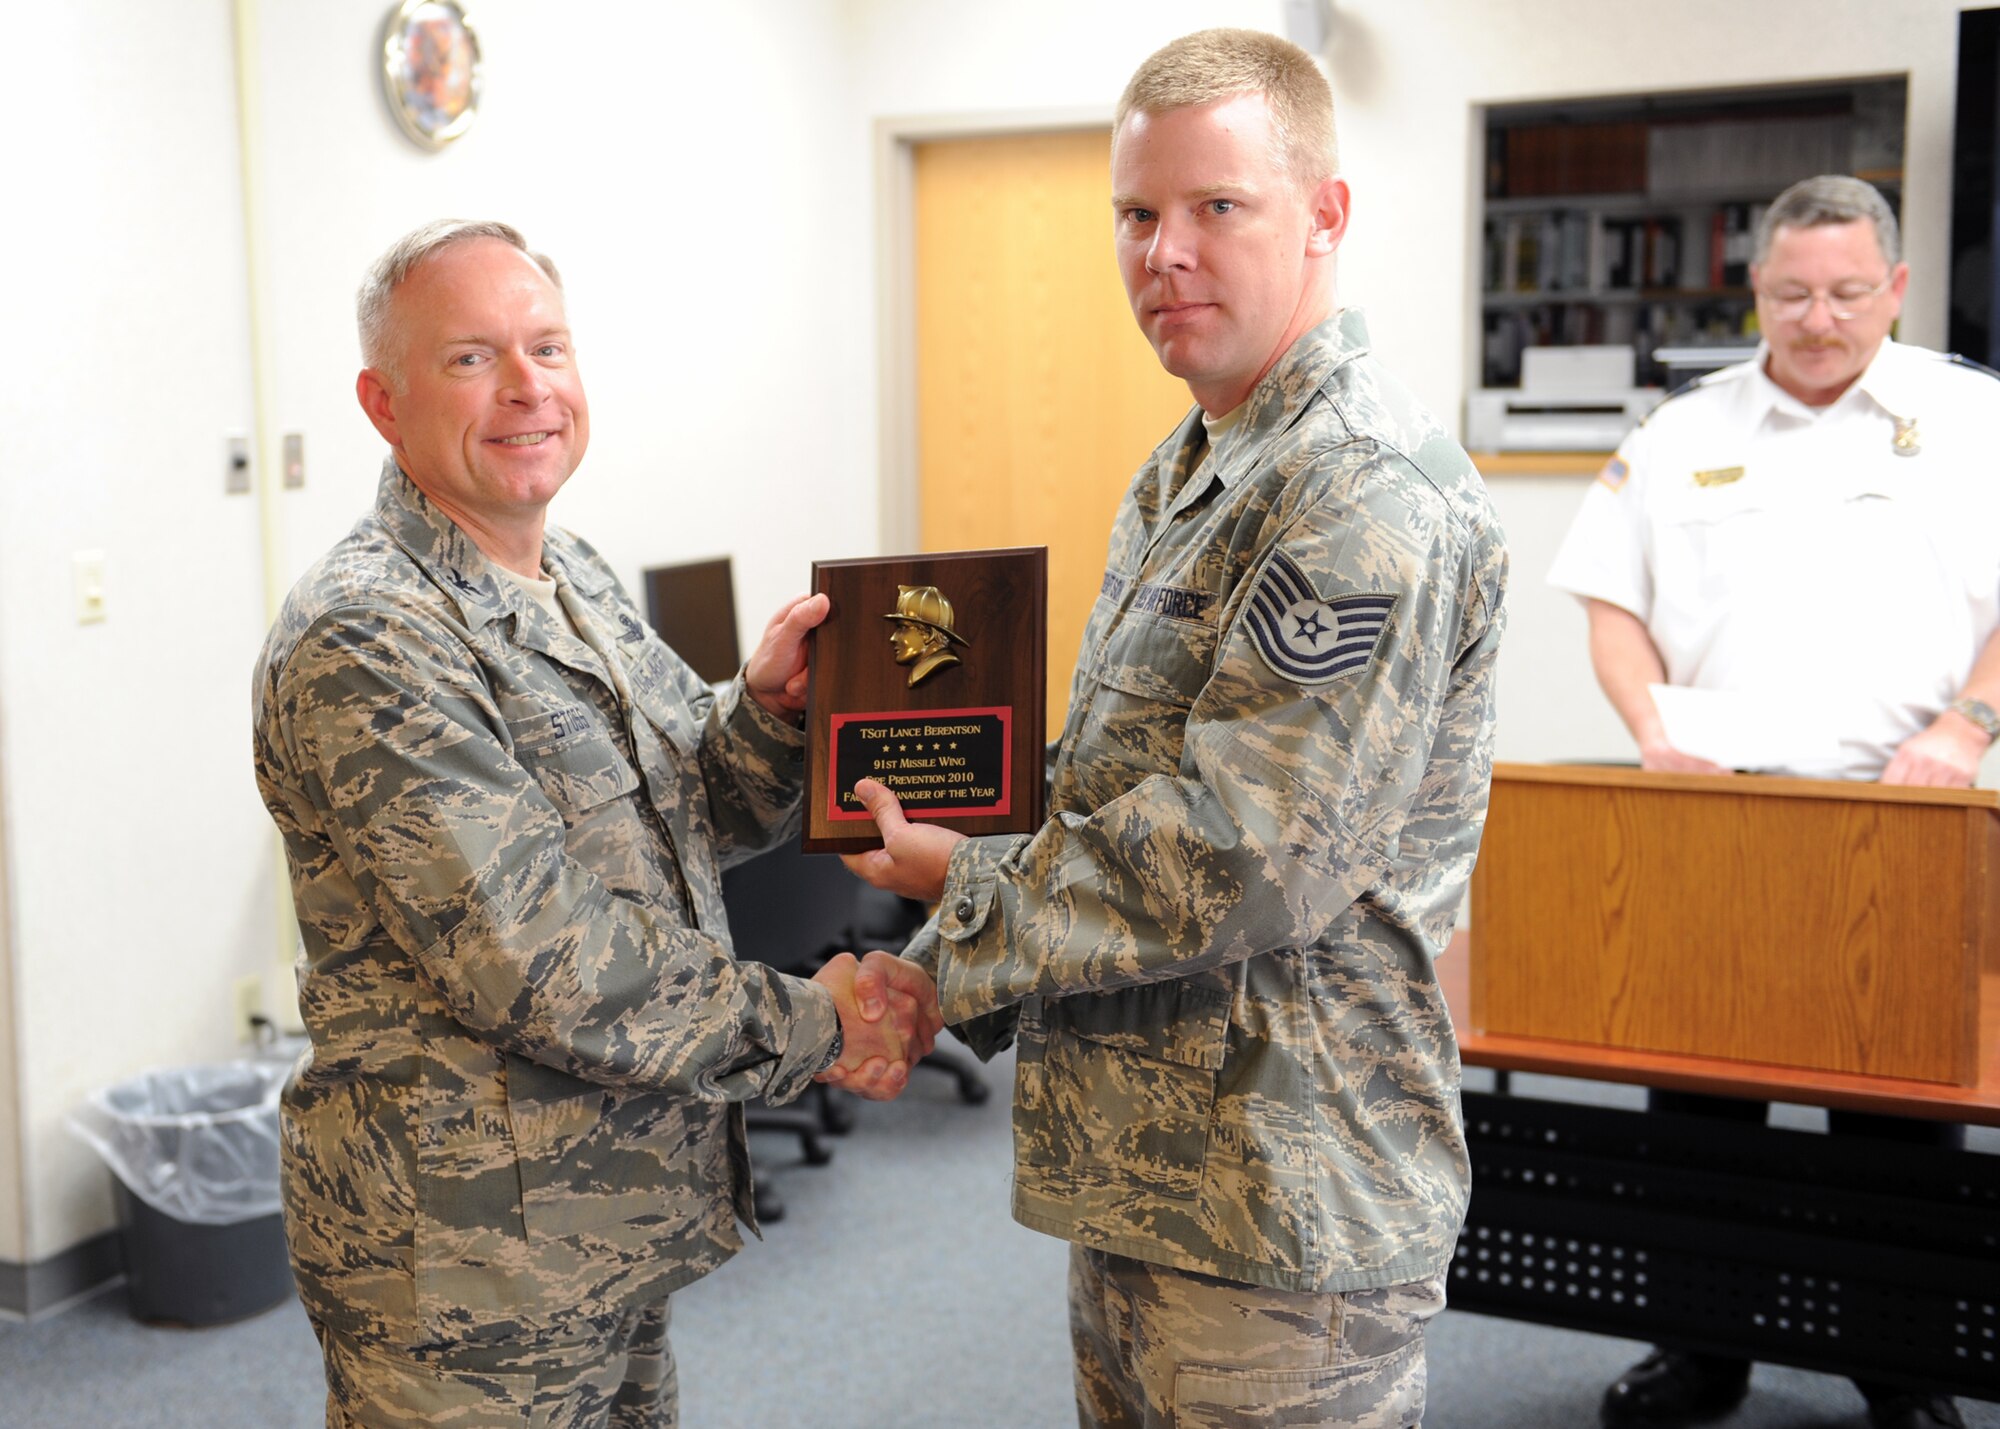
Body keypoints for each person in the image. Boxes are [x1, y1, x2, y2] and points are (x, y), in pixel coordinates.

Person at [844, 29, 1508, 1428]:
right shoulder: (1197, 459)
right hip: (1161, 1175)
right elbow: (1111, 791)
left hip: (1286, 1205)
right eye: (1137, 215)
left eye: (1219, 207)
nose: (1166, 253)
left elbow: (1246, 854)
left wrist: (963, 898)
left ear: (1325, 214)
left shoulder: (1355, 490)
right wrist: (930, 958)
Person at [251, 219, 941, 1427]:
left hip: (601, 1222)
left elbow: (692, 808)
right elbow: (543, 961)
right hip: (467, 1273)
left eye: (548, 347)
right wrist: (815, 1022)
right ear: (382, 400)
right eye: (472, 359)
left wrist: (767, 713)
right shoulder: (367, 638)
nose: (528, 389)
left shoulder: (570, 574)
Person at [1549, 175, 1999, 1429]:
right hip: (1715, 827)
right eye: (1791, 292)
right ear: (1753, 290)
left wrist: (1964, 726)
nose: (1817, 318)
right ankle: (1702, 1349)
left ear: (1895, 288)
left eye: (1848, 292)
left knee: (1893, 1131)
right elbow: (1609, 605)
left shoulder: (1974, 419)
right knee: (1697, 1111)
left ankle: (1901, 1373)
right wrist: (1648, 730)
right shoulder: (1680, 429)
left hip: (1897, 826)